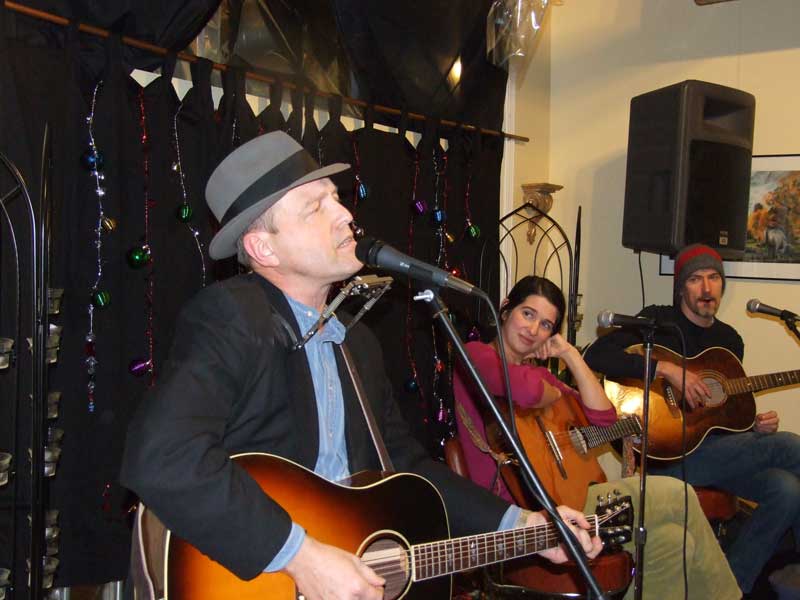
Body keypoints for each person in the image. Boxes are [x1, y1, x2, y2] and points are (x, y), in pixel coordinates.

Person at [119, 131, 602, 600]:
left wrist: (522, 523)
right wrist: (301, 557)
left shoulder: (358, 342)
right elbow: (161, 457)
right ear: (264, 248)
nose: (345, 214)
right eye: (315, 207)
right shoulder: (233, 315)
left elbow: (406, 467)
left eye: (336, 198)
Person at [454, 275, 741, 599]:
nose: (533, 330)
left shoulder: (542, 372)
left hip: (567, 499)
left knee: (675, 540)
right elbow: (526, 390)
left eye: (546, 325)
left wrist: (570, 355)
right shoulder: (475, 354)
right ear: (505, 310)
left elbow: (604, 419)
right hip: (520, 513)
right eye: (528, 314)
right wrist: (550, 392)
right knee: (680, 495)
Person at [584, 243, 800, 596]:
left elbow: (719, 419)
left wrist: (754, 425)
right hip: (670, 456)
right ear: (681, 287)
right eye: (696, 279)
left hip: (717, 454)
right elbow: (598, 353)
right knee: (790, 446)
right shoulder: (659, 322)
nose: (706, 288)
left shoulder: (730, 341)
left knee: (787, 490)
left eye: (714, 277)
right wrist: (666, 369)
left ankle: (727, 588)